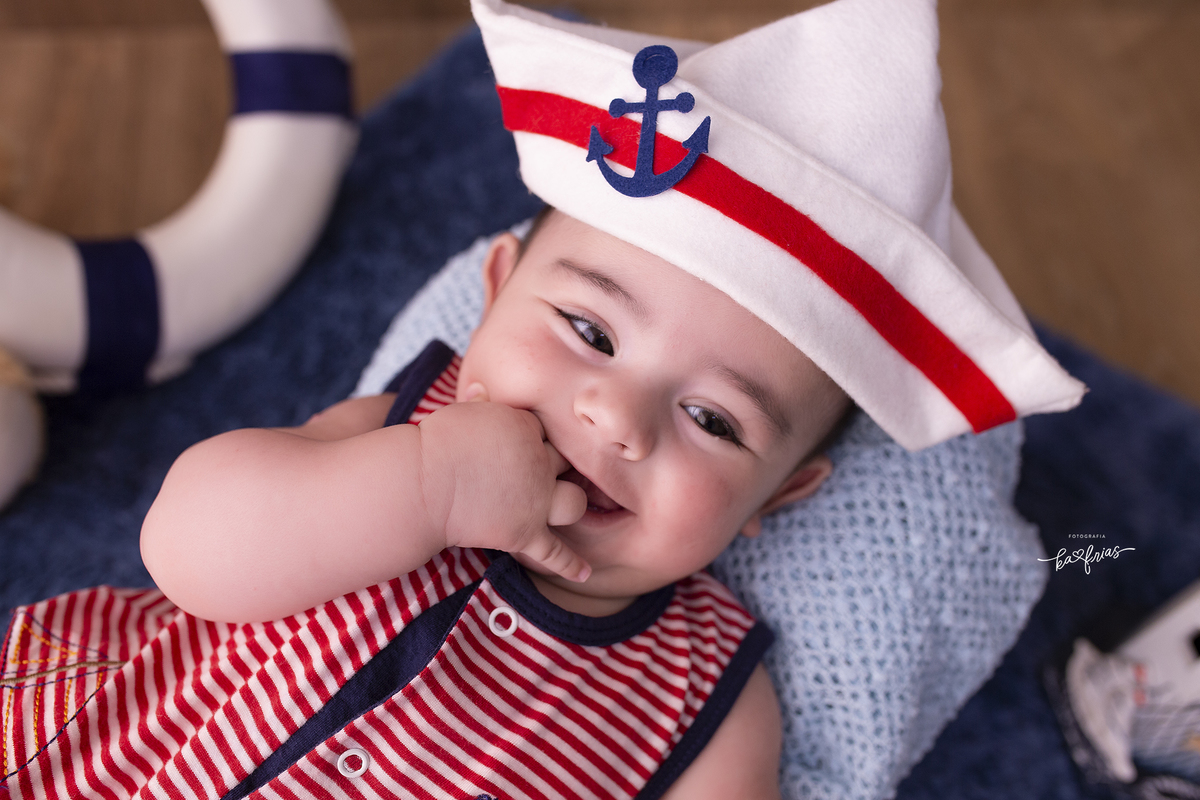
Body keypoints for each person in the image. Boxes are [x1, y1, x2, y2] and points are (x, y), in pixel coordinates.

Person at [0, 0, 1086, 798]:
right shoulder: (395, 431)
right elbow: (188, 550)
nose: (619, 416)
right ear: (489, 299)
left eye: (715, 420)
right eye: (589, 331)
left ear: (780, 492)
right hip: (112, 752)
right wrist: (428, 484)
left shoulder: (710, 700)